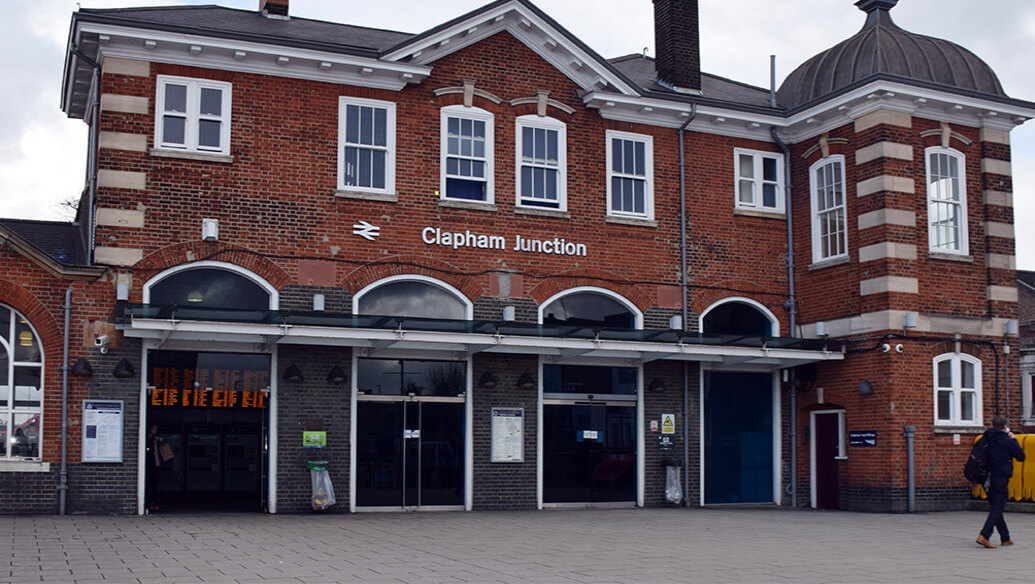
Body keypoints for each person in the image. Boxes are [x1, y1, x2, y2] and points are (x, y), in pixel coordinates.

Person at [976, 415, 1025, 548]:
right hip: (1000, 477)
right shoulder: (1007, 440)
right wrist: (1013, 439)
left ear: (992, 425)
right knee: (998, 506)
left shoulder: (985, 438)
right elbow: (1021, 457)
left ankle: (1005, 537)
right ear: (1005, 426)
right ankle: (984, 535)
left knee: (995, 506)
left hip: (986, 478)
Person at [145, 425, 169, 511]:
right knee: (149, 485)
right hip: (150, 465)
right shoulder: (149, 438)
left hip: (156, 465)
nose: (155, 430)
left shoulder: (157, 439)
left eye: (157, 429)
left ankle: (154, 502)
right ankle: (148, 502)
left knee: (154, 485)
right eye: (154, 429)